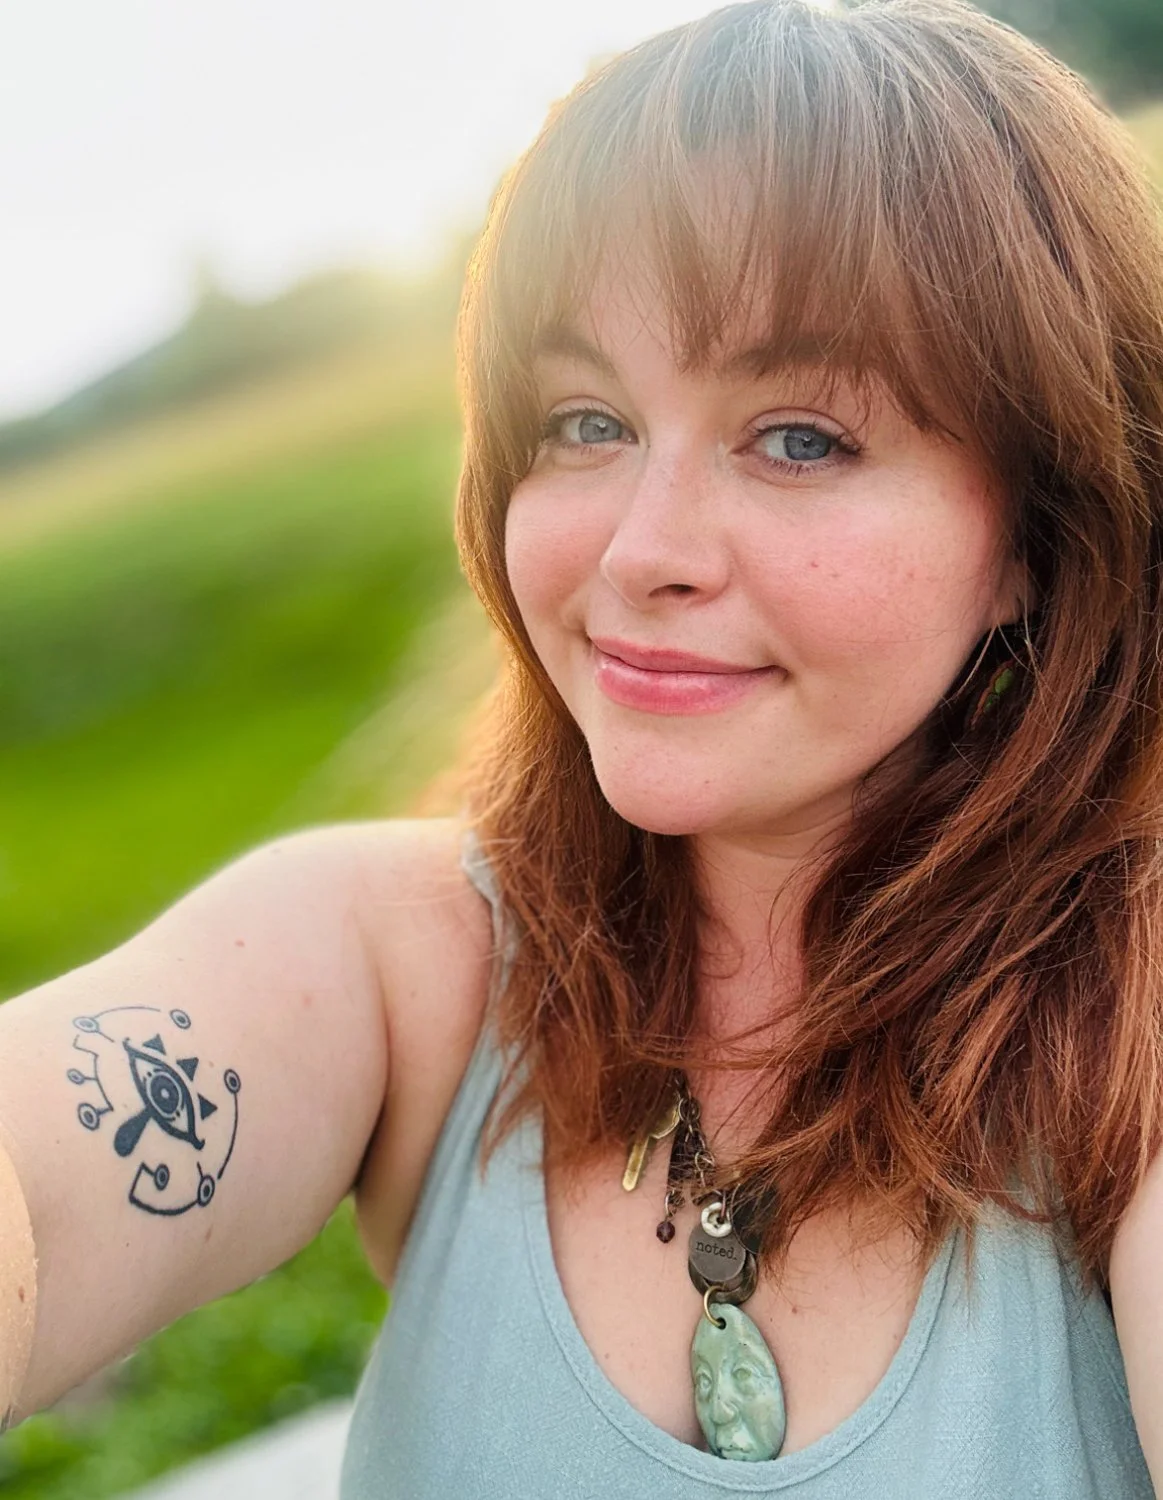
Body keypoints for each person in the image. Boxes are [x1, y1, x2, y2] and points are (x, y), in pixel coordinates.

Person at [2, 0, 1163, 1492]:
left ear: (1037, 534)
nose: (639, 550)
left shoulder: (1132, 1022)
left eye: (799, 437)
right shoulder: (402, 965)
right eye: (584, 421)